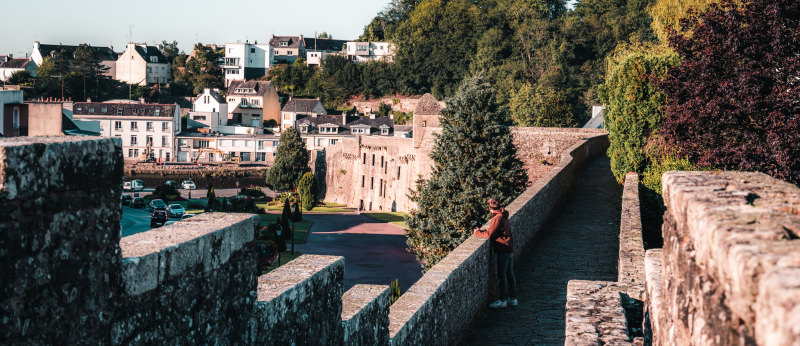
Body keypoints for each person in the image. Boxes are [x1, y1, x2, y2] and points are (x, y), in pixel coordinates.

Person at [474, 198, 517, 308]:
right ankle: (513, 298)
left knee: (502, 275)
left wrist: (478, 233)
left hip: (503, 250)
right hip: (509, 248)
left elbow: (490, 234)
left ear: (490, 208)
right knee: (510, 273)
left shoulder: (497, 219)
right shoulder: (503, 215)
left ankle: (502, 300)